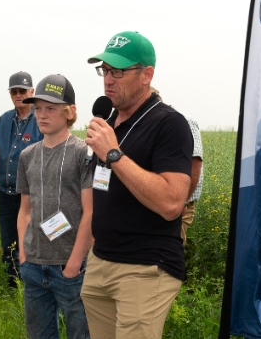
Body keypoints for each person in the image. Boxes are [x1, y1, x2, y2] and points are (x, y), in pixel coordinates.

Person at [81, 31, 194, 338]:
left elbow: (172, 203)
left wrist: (114, 154)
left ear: (147, 75)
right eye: (104, 71)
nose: (108, 80)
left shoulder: (169, 124)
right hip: (101, 261)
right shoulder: (109, 121)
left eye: (118, 71)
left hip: (144, 268)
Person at [16, 75, 93, 339]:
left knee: (80, 334)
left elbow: (90, 212)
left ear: (69, 111)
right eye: (38, 108)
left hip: (70, 267)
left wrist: (73, 264)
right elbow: (25, 210)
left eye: (51, 108)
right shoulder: (27, 156)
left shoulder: (83, 153)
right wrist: (24, 257)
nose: (42, 115)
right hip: (34, 266)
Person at [0, 71, 43, 287]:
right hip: (5, 194)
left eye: (23, 91)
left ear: (32, 92)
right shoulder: (3, 121)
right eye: (14, 91)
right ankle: (12, 286)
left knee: (30, 241)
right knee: (8, 241)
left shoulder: (40, 120)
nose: (18, 95)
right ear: (10, 94)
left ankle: (31, 284)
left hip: (30, 196)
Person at [149, 87, 204, 245]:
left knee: (167, 253)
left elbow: (195, 164)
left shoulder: (182, 121)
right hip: (155, 203)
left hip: (179, 206)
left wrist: (182, 202)